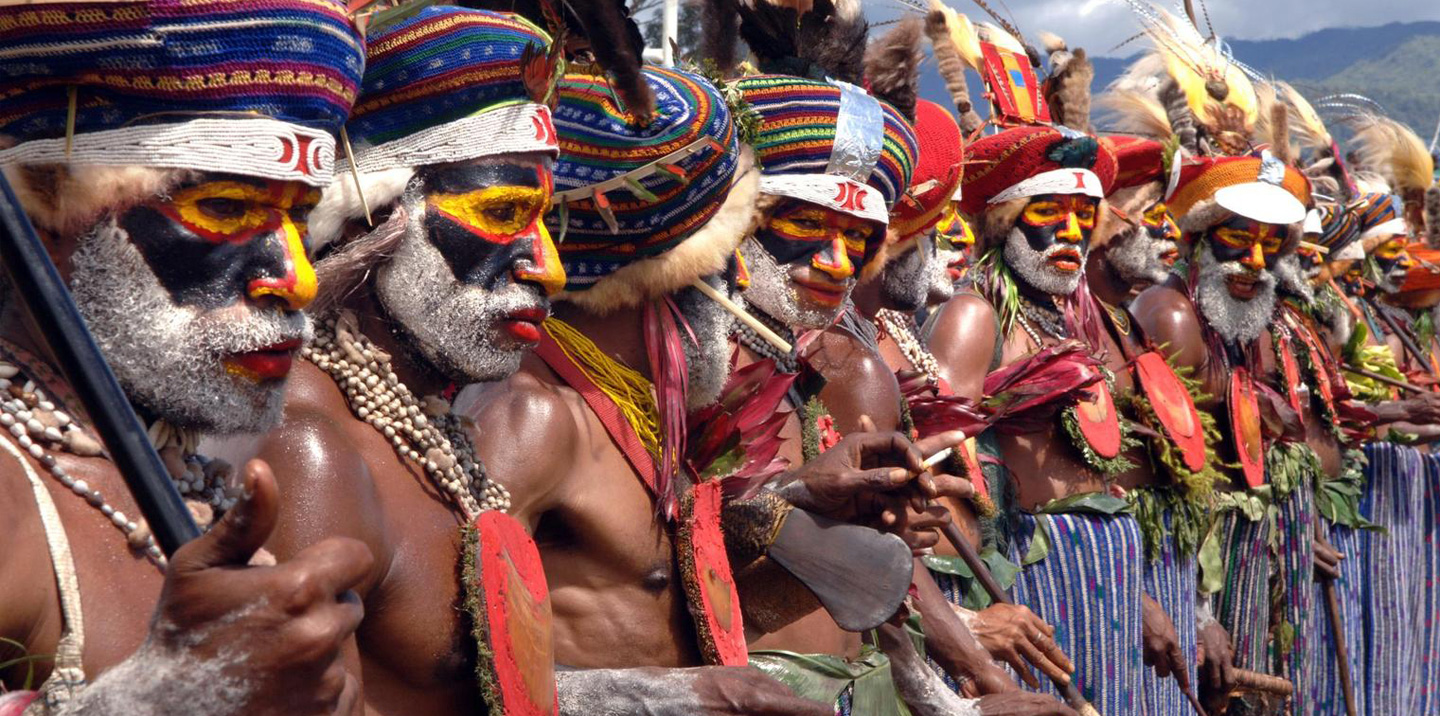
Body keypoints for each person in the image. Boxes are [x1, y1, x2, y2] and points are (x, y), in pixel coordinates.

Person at [0, 2, 373, 713]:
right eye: (228, 209)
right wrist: (166, 698)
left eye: (298, 218)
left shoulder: (206, 484)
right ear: (47, 213)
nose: (297, 277)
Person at [227, 9, 573, 713]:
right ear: (368, 219)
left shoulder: (423, 428)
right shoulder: (311, 449)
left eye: (547, 222)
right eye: (504, 214)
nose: (550, 268)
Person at [925, 123, 1161, 714]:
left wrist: (1142, 594)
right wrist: (974, 610)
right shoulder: (974, 315)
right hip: (1031, 573)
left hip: (1104, 569)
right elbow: (939, 466)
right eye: (1050, 212)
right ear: (1005, 219)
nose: (1072, 232)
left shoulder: (1067, 317)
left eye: (1086, 216)